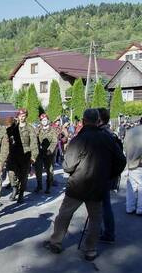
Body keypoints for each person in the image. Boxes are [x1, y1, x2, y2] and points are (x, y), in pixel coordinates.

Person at [44, 109, 126, 261]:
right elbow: (121, 160)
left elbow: (68, 166)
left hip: (78, 185)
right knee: (95, 219)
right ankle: (90, 250)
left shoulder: (79, 139)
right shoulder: (108, 138)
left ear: (84, 120)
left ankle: (56, 242)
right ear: (97, 121)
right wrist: (108, 175)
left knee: (64, 214)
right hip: (98, 186)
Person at [97, 108, 123, 243]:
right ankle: (106, 232)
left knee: (102, 206)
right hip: (106, 175)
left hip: (102, 176)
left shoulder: (103, 134)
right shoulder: (110, 133)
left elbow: (120, 159)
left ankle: (106, 233)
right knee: (104, 204)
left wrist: (110, 173)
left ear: (99, 119)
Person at [7, 108, 38, 203]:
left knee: (23, 176)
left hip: (25, 155)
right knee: (11, 174)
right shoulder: (13, 128)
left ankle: (21, 194)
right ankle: (14, 188)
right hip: (14, 154)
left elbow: (33, 143)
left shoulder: (30, 128)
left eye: (23, 116)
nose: (21, 118)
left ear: (26, 116)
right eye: (20, 116)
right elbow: (6, 136)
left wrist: (33, 156)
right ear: (18, 116)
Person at [34, 114, 58, 194]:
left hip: (49, 153)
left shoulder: (52, 130)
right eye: (42, 120)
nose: (44, 121)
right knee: (38, 169)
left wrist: (50, 150)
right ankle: (39, 185)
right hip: (40, 152)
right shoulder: (38, 129)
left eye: (45, 120)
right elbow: (34, 139)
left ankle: (48, 186)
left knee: (49, 170)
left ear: (48, 120)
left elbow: (54, 141)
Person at [124, 117, 142, 215]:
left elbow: (125, 146)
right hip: (141, 162)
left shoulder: (130, 131)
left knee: (130, 185)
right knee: (141, 186)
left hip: (131, 161)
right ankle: (140, 208)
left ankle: (130, 207)